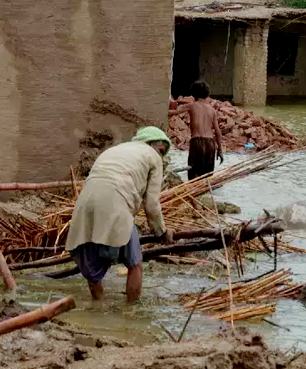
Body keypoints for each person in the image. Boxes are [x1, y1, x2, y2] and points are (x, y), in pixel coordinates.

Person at [66, 126, 174, 302]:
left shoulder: (115, 150)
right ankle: (130, 313)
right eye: (161, 150)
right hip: (116, 202)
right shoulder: (153, 156)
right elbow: (152, 205)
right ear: (151, 144)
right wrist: (161, 232)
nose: (161, 156)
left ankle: (97, 307)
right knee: (135, 264)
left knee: (93, 270)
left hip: (85, 203)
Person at [174, 80, 224, 180]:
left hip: (197, 142)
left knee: (193, 176)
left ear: (193, 94)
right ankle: (207, 194)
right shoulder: (212, 110)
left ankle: (194, 195)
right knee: (207, 177)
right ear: (207, 94)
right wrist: (220, 150)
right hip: (210, 143)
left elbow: (173, 112)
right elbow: (218, 133)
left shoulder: (192, 105)